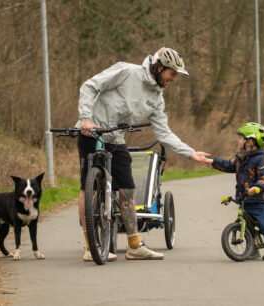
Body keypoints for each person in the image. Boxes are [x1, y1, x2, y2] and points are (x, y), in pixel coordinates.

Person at [76, 47, 210, 262]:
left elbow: (164, 133)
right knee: (87, 187)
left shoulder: (157, 98)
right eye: (172, 74)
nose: (174, 79)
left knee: (128, 190)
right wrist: (85, 118)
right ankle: (90, 245)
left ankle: (134, 246)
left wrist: (191, 153)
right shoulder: (127, 72)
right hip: (91, 133)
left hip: (116, 139)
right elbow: (90, 86)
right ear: (159, 68)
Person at [203, 122, 264, 260]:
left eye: (241, 138)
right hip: (244, 199)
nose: (238, 140)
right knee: (248, 225)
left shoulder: (261, 158)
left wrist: (257, 187)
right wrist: (213, 162)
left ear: (250, 142)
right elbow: (228, 165)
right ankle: (253, 249)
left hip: (258, 200)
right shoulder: (241, 158)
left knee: (263, 222)